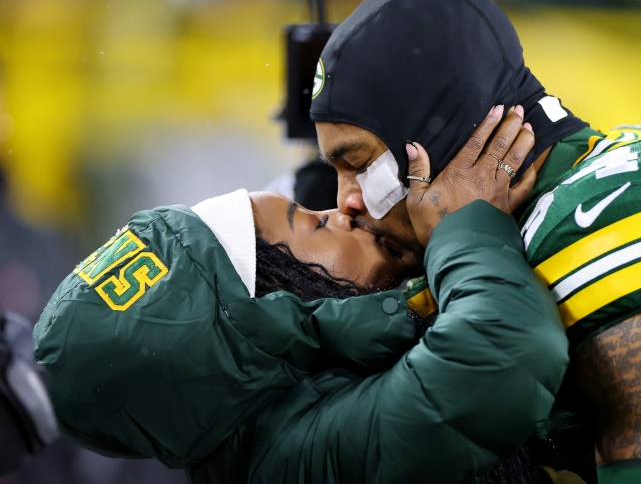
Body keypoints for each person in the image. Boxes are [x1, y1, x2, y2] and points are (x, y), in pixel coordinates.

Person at [309, 0, 641, 483]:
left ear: (435, 136)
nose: (345, 202)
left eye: (359, 164)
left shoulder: (611, 211)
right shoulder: (528, 222)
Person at [34, 112, 569, 482]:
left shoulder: (271, 416)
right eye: (312, 222)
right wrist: (467, 226)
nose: (342, 210)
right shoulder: (293, 455)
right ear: (271, 301)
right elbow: (505, 350)